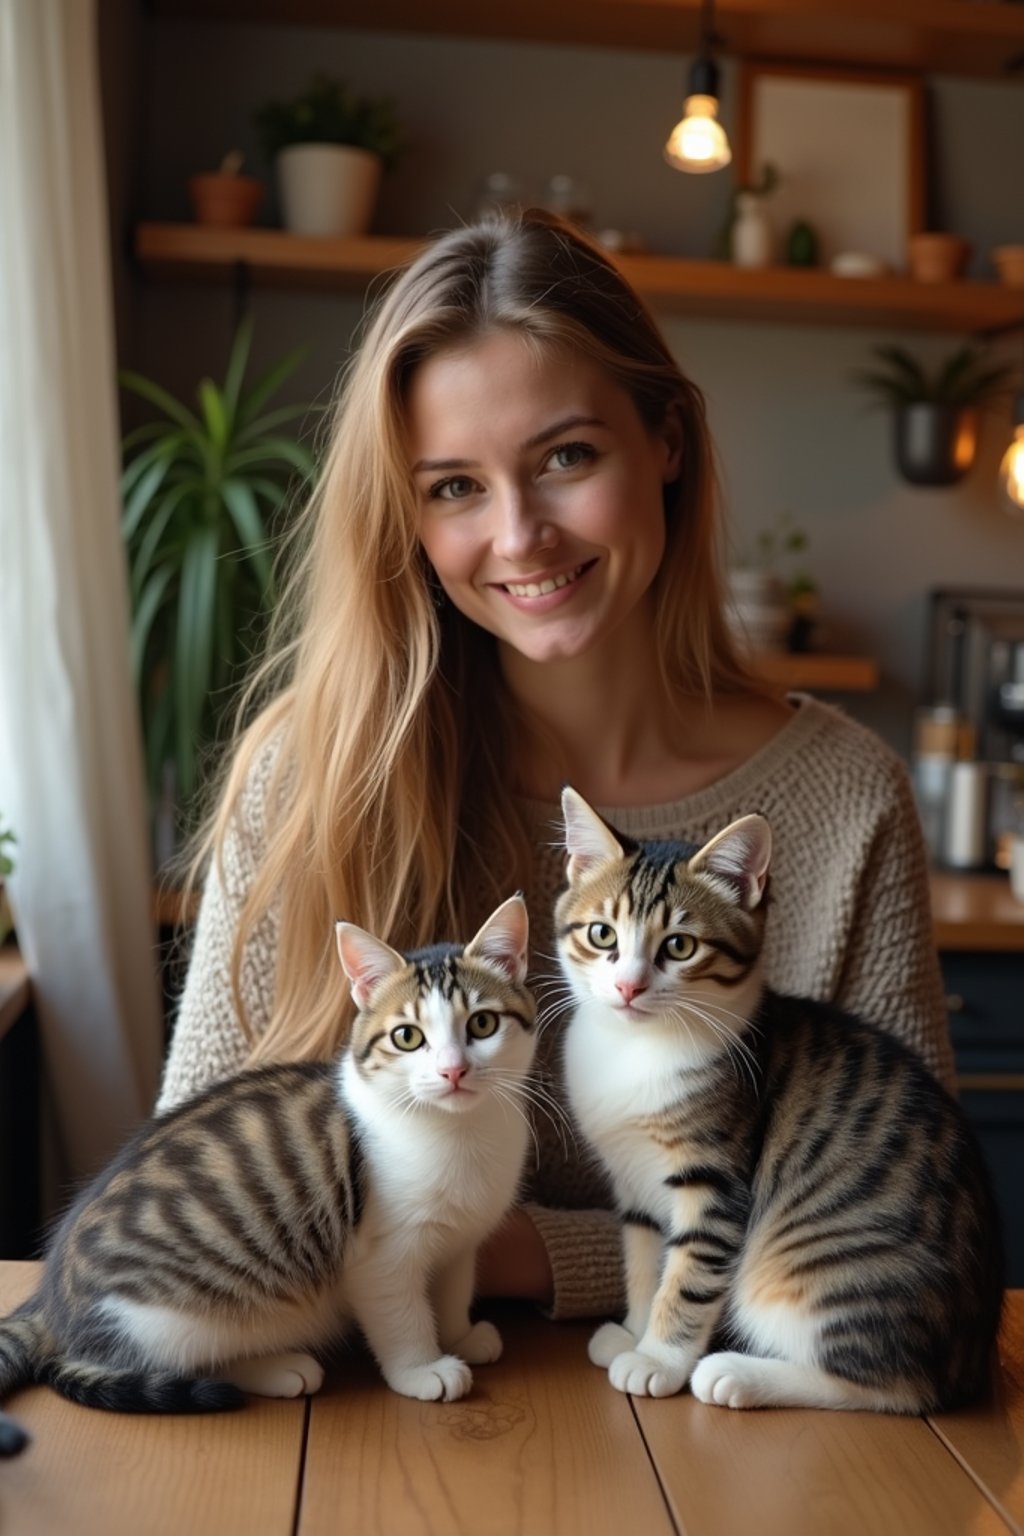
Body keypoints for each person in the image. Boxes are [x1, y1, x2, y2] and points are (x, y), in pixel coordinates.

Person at [157, 209, 954, 1320]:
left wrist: (512, 1254)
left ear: (666, 442)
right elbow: (192, 1198)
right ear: (408, 518)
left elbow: (896, 1244)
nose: (520, 534)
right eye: (453, 487)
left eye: (565, 456)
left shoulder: (842, 798)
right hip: (351, 1435)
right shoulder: (312, 771)